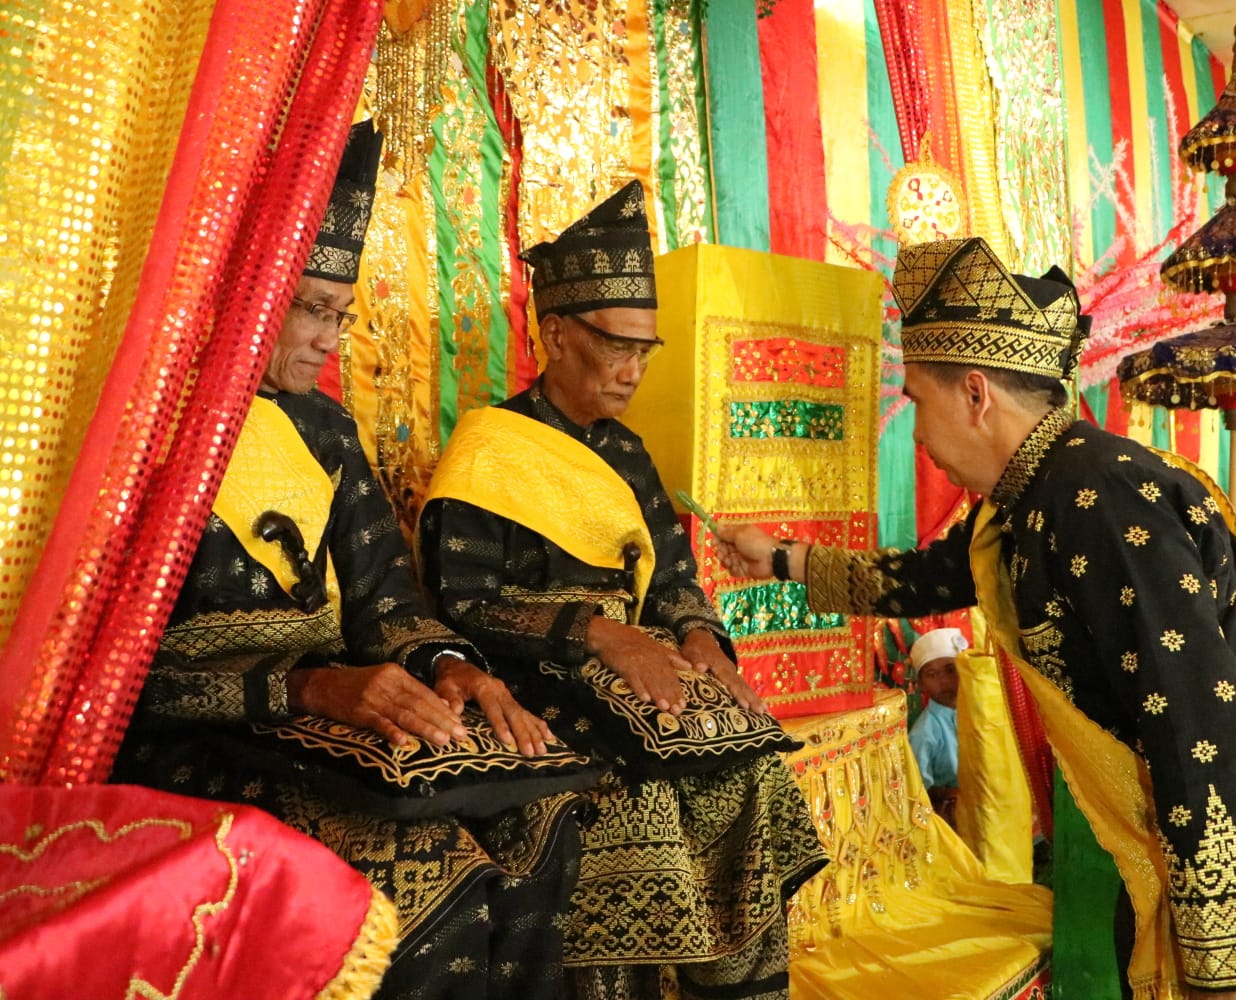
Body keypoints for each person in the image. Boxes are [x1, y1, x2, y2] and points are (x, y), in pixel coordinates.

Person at [716, 237, 1236, 1000]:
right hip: (1204, 855)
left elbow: (1199, 724)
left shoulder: (1099, 503)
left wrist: (1228, 968)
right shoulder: (1030, 497)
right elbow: (929, 576)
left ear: (976, 394)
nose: (914, 432)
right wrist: (778, 557)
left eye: (917, 402)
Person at [112, 122, 589, 1000]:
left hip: (323, 732)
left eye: (342, 313)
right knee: (434, 885)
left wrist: (453, 668)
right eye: (311, 308)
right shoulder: (151, 425)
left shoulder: (328, 430)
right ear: (244, 294)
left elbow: (386, 606)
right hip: (197, 741)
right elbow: (116, 683)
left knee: (546, 822)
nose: (329, 337)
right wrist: (306, 687)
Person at [418, 181, 826, 1000]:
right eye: (617, 347)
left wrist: (701, 638)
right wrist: (599, 635)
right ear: (557, 334)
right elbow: (462, 603)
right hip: (537, 682)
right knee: (638, 807)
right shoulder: (488, 449)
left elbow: (672, 579)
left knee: (754, 778)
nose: (634, 370)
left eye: (647, 351)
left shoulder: (631, 454)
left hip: (645, 680)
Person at [907, 626, 966, 824]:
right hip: (953, 819)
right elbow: (917, 791)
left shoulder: (983, 712)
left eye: (951, 670)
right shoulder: (925, 731)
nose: (943, 681)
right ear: (921, 684)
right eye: (932, 674)